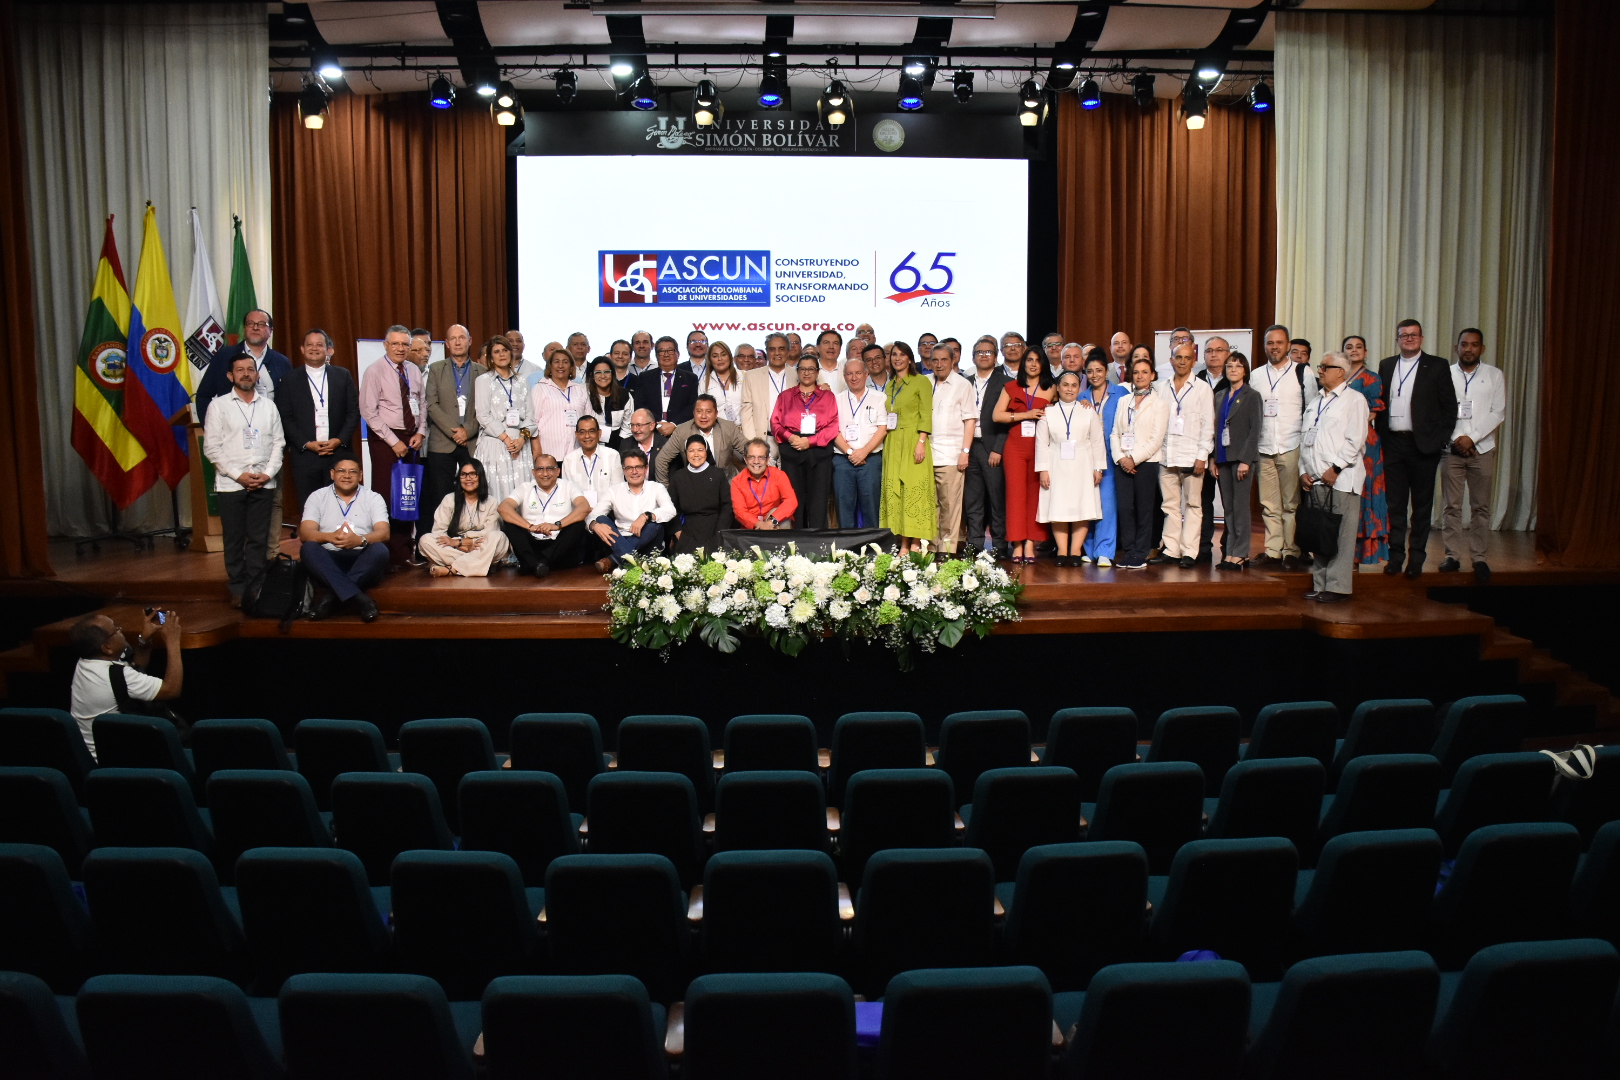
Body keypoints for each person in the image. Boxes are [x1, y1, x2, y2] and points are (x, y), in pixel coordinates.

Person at [196, 308, 292, 552]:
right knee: (237, 512)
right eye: (251, 323)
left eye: (262, 324)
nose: (256, 327)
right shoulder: (225, 356)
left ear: (270, 331)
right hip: (234, 448)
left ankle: (268, 557)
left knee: (273, 503)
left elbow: (290, 403)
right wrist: (215, 431)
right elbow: (205, 394)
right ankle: (244, 563)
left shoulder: (281, 361)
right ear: (245, 328)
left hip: (269, 446)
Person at [1377, 319, 1457, 579]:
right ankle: (1396, 556)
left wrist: (1440, 439)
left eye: (1413, 335)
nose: (1409, 339)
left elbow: (1449, 407)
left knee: (1421, 506)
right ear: (1397, 339)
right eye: (1404, 335)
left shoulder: (1437, 365)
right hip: (1393, 443)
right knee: (1395, 505)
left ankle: (1417, 558)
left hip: (1423, 446)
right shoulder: (1387, 365)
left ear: (1421, 338)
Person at [204, 352, 285, 603]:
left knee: (259, 539)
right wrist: (239, 476)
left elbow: (278, 444)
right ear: (231, 376)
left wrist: (266, 474)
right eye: (240, 370)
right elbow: (212, 448)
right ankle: (238, 588)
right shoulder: (218, 406)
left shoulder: (269, 407)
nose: (246, 374)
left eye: (250, 369)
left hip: (264, 481)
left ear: (257, 374)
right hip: (231, 484)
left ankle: (256, 587)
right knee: (234, 538)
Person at [1300, 353, 1371, 602]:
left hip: (1341, 480)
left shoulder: (1355, 400)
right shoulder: (1316, 400)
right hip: (1316, 479)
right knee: (1320, 533)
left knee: (1340, 535)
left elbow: (1356, 439)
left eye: (1324, 367)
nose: (1320, 371)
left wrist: (1336, 468)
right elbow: (1306, 438)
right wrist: (1303, 471)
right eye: (1320, 367)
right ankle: (1321, 585)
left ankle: (1338, 588)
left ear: (1341, 371)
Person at [68, 609, 183, 757]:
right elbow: (172, 689)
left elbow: (135, 668)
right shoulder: (112, 674)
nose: (120, 630)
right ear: (106, 648)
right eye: (115, 630)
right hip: (114, 758)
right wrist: (173, 641)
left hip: (100, 750)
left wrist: (144, 640)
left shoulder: (87, 661)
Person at [1441, 327, 1505, 583]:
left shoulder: (1494, 375)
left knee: (1481, 507)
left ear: (1482, 348)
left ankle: (1479, 557)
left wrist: (1472, 437)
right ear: (1456, 347)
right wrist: (1455, 439)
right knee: (1451, 506)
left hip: (1482, 449)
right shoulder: (1444, 374)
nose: (1468, 349)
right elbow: (1439, 410)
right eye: (1464, 344)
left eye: (1474, 345)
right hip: (1451, 449)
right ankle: (1452, 556)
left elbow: (1497, 412)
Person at [359, 324, 426, 568]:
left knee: (408, 497)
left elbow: (423, 403)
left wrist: (420, 432)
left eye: (405, 344)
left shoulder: (414, 370)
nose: (400, 348)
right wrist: (393, 441)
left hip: (412, 438)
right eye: (395, 344)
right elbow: (368, 410)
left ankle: (403, 553)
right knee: (387, 497)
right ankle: (384, 556)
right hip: (386, 439)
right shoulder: (374, 371)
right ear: (386, 345)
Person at [1253, 324, 1319, 571]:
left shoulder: (1303, 373)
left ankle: (1292, 551)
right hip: (1264, 446)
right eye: (1270, 343)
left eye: (1279, 343)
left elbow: (1313, 411)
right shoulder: (1256, 375)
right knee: (1269, 504)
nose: (1275, 347)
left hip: (1292, 444)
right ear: (1265, 346)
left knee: (1292, 503)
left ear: (1288, 345)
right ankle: (1272, 550)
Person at [299, 454, 391, 621]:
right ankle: (362, 599)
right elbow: (305, 533)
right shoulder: (317, 497)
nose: (347, 476)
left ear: (360, 475)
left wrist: (360, 540)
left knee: (380, 550)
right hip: (329, 559)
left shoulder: (373, 498)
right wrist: (330, 537)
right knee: (308, 548)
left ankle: (329, 598)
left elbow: (384, 533)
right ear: (332, 474)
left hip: (361, 559)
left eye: (352, 472)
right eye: (341, 471)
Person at [278, 329, 359, 512]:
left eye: (319, 344)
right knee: (310, 508)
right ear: (302, 349)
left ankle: (339, 541)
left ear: (328, 349)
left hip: (338, 453)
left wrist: (339, 440)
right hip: (306, 455)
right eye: (310, 344)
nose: (314, 348)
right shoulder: (290, 380)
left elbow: (353, 412)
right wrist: (306, 443)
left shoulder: (342, 375)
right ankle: (312, 541)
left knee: (340, 506)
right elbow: (285, 417)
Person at [1152, 342, 1214, 568]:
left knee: (1193, 506)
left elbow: (1208, 425)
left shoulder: (1202, 388)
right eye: (1178, 357)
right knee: (1169, 506)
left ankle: (1190, 552)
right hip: (1166, 456)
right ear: (1171, 360)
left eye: (1187, 358)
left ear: (1193, 361)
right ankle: (1171, 550)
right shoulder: (1161, 387)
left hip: (1191, 456)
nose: (1182, 361)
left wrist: (1202, 455)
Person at [1035, 370, 1106, 566]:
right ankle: (1062, 551)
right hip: (1056, 463)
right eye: (1065, 384)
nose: (1069, 389)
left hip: (1083, 463)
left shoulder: (1088, 411)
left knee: (1081, 507)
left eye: (1074, 385)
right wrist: (1043, 469)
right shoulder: (1048, 412)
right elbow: (1041, 443)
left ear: (1079, 388)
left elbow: (1097, 441)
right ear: (1058, 387)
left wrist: (1098, 467)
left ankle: (1075, 551)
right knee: (1058, 507)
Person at [992, 347, 1056, 563]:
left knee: (1036, 496)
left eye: (1038, 360)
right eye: (1029, 360)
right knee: (1015, 496)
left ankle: (1031, 542)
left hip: (1040, 447)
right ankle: (1017, 543)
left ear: (1043, 364)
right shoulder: (1011, 387)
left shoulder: (1052, 388)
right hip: (1015, 447)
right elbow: (997, 415)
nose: (1033, 364)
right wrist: (1025, 414)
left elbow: (1066, 409)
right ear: (1023, 363)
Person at [422, 323, 486, 516]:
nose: (458, 342)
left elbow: (484, 408)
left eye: (462, 337)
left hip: (472, 441)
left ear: (470, 341)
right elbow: (431, 404)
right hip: (442, 441)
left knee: (475, 493)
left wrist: (467, 430)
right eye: (453, 338)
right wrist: (455, 431)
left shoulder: (482, 371)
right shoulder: (435, 369)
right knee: (440, 496)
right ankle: (442, 537)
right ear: (447, 344)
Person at [1111, 357, 1169, 570]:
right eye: (1136, 372)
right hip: (1122, 462)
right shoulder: (1123, 401)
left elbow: (1156, 439)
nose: (1140, 376)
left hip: (1146, 463)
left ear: (1152, 375)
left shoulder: (1160, 404)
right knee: (1125, 508)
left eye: (1145, 372)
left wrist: (1133, 459)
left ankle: (1141, 552)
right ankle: (1129, 550)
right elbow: (1115, 433)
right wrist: (1121, 458)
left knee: (1144, 509)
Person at [771, 356, 840, 530]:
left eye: (811, 369)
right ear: (798, 372)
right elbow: (775, 423)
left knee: (818, 499)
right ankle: (796, 542)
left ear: (817, 372)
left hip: (819, 451)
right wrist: (790, 437)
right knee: (793, 498)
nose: (807, 373)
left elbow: (833, 426)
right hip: (792, 450)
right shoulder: (785, 396)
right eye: (803, 369)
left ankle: (818, 543)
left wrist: (810, 442)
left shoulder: (828, 396)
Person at [879, 342, 936, 552]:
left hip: (914, 439)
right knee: (897, 493)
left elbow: (926, 414)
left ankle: (916, 542)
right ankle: (903, 541)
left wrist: (921, 441)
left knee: (914, 492)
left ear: (910, 358)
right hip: (893, 442)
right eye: (894, 355)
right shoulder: (890, 384)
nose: (897, 358)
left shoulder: (921, 381)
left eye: (902, 355)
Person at [499, 454, 591, 578]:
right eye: (540, 469)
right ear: (534, 472)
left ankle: (537, 564)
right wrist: (530, 526)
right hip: (533, 545)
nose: (545, 473)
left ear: (558, 471)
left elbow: (584, 507)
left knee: (578, 524)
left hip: (559, 547)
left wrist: (557, 525)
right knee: (509, 522)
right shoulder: (525, 488)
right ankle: (538, 563)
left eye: (550, 468)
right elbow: (503, 508)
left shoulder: (568, 486)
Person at [1211, 352, 1262, 570]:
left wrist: (1246, 460)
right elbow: (1215, 430)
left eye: (1238, 366)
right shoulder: (1220, 395)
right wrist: (1213, 459)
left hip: (1241, 459)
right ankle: (1230, 552)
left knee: (1240, 508)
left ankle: (1241, 553)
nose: (1233, 369)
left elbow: (1255, 430)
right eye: (1230, 365)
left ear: (1245, 370)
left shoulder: (1252, 395)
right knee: (1228, 509)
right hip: (1222, 458)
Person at [419, 458, 510, 578]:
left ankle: (452, 569)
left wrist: (462, 542)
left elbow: (489, 532)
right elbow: (439, 532)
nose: (468, 478)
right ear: (459, 479)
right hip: (459, 549)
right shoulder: (449, 499)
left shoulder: (491, 502)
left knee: (498, 537)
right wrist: (461, 547)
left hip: (480, 545)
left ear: (480, 477)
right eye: (463, 474)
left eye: (473, 474)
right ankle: (481, 565)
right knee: (425, 540)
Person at [1341, 335, 1389, 567]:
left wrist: (1352, 424)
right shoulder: (1338, 375)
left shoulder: (1372, 378)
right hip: (1338, 438)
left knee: (1363, 492)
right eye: (1349, 347)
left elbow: (1373, 412)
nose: (1354, 351)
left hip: (1364, 440)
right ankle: (1340, 550)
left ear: (1366, 352)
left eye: (1359, 347)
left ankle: (1359, 554)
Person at [962, 337, 1011, 559]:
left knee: (996, 498)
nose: (984, 355)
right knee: (973, 499)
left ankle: (1000, 544)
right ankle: (974, 543)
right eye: (979, 352)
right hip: (970, 446)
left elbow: (1008, 420)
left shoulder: (1005, 382)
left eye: (988, 352)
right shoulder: (965, 381)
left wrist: (998, 448)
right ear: (973, 357)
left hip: (992, 447)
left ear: (996, 357)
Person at [473, 334, 534, 508]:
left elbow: (531, 418)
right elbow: (483, 415)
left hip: (520, 446)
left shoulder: (522, 381)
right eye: (496, 351)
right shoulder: (483, 381)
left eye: (505, 350)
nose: (501, 354)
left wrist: (521, 439)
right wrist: (506, 439)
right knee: (497, 496)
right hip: (496, 444)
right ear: (490, 357)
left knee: (522, 498)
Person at [1080, 352, 1129, 567]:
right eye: (1090, 371)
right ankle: (1088, 548)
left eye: (1099, 370)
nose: (1094, 375)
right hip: (1086, 456)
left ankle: (1105, 551)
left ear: (1106, 371)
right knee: (1089, 502)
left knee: (1108, 504)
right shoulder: (1081, 397)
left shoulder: (1121, 393)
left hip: (1112, 455)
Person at [589, 449, 675, 570]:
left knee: (655, 524)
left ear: (646, 468)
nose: (634, 472)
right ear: (624, 471)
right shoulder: (614, 490)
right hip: (620, 540)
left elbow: (670, 510)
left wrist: (646, 516)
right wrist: (594, 525)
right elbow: (593, 515)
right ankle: (633, 560)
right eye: (629, 468)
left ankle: (614, 559)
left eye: (638, 467)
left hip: (648, 543)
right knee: (601, 519)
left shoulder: (656, 487)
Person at [927, 343, 976, 555]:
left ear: (953, 360)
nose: (939, 364)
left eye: (944, 360)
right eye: (935, 360)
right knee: (930, 506)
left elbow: (970, 421)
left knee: (950, 507)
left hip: (951, 454)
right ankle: (930, 547)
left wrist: (965, 452)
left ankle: (946, 550)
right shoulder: (924, 382)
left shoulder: (962, 385)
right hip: (926, 454)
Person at [833, 356, 887, 530]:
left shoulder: (879, 398)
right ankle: (847, 551)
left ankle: (873, 549)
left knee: (871, 505)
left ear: (866, 374)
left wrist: (864, 452)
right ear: (844, 376)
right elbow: (833, 430)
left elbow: (883, 428)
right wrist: (850, 452)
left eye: (858, 373)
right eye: (849, 373)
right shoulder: (836, 399)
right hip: (842, 459)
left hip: (871, 459)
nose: (854, 377)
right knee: (844, 506)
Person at [1195, 337, 1232, 563]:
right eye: (1209, 351)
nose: (1214, 354)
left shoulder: (1236, 379)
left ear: (1228, 353)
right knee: (1202, 502)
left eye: (1219, 350)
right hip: (1201, 451)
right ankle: (1203, 547)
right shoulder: (1196, 380)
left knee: (1230, 503)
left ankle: (1230, 547)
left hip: (1228, 452)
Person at [656, 394, 749, 483]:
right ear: (693, 413)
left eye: (708, 411)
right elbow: (661, 460)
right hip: (694, 485)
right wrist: (666, 490)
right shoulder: (682, 431)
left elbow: (751, 451)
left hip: (727, 482)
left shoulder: (728, 428)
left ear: (716, 414)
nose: (703, 416)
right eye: (699, 411)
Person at [668, 434, 734, 554]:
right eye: (691, 450)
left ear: (707, 452)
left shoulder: (718, 474)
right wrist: (677, 531)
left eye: (700, 450)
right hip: (688, 530)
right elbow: (670, 508)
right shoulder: (678, 477)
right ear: (686, 453)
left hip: (715, 528)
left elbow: (727, 506)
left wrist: (720, 532)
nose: (696, 454)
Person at [632, 335, 699, 438]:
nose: (666, 355)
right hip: (652, 432)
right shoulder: (645, 378)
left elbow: (692, 406)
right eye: (662, 351)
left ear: (678, 354)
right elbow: (641, 404)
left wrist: (674, 424)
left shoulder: (690, 378)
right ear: (656, 355)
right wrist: (658, 424)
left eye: (670, 351)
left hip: (681, 432)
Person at [741, 332, 795, 456]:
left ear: (788, 351)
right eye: (772, 349)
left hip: (791, 441)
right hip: (763, 438)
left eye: (781, 349)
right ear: (767, 351)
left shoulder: (798, 374)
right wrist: (753, 442)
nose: (777, 353)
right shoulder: (751, 376)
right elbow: (746, 411)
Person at [531, 347, 584, 463]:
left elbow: (587, 419)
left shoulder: (580, 389)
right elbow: (533, 423)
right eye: (556, 362)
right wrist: (537, 453)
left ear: (571, 367)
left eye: (565, 362)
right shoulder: (540, 388)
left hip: (576, 454)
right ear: (550, 366)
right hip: (548, 454)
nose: (560, 366)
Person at [732, 438, 798, 529]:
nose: (756, 461)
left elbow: (791, 502)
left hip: (775, 524)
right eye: (751, 457)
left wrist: (772, 521)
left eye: (761, 457)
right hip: (751, 527)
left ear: (768, 459)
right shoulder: (737, 482)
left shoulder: (779, 475)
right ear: (745, 459)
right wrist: (759, 524)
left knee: (784, 522)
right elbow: (740, 511)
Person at [562, 415, 623, 512]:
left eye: (591, 431)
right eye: (582, 432)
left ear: (599, 433)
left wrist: (598, 511)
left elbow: (618, 491)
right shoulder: (569, 460)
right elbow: (567, 494)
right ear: (576, 435)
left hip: (606, 513)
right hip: (578, 515)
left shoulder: (612, 455)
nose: (587, 436)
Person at [584, 357, 635, 445]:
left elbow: (627, 428)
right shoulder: (584, 394)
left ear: (612, 374)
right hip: (588, 444)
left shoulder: (624, 395)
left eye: (607, 372)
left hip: (617, 446)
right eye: (598, 372)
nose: (603, 376)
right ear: (592, 375)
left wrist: (619, 447)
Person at [700, 341, 744, 425]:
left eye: (723, 355)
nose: (720, 359)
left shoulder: (743, 376)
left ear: (730, 357)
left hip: (742, 430)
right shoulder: (705, 381)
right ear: (710, 360)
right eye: (715, 356)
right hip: (716, 431)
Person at [816, 330, 848, 394]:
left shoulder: (847, 371)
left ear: (840, 349)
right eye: (826, 343)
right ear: (818, 348)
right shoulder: (808, 370)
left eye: (835, 343)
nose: (831, 347)